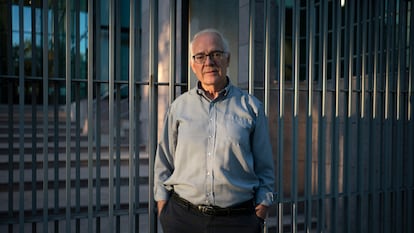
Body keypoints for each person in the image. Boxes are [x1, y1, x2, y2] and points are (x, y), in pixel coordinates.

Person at [154, 28, 275, 233]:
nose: (208, 62)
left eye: (216, 54)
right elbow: (164, 161)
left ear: (228, 59)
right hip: (182, 219)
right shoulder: (179, 107)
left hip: (237, 222)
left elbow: (265, 167)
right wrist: (163, 208)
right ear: (193, 65)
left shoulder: (251, 107)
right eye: (200, 56)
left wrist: (261, 210)